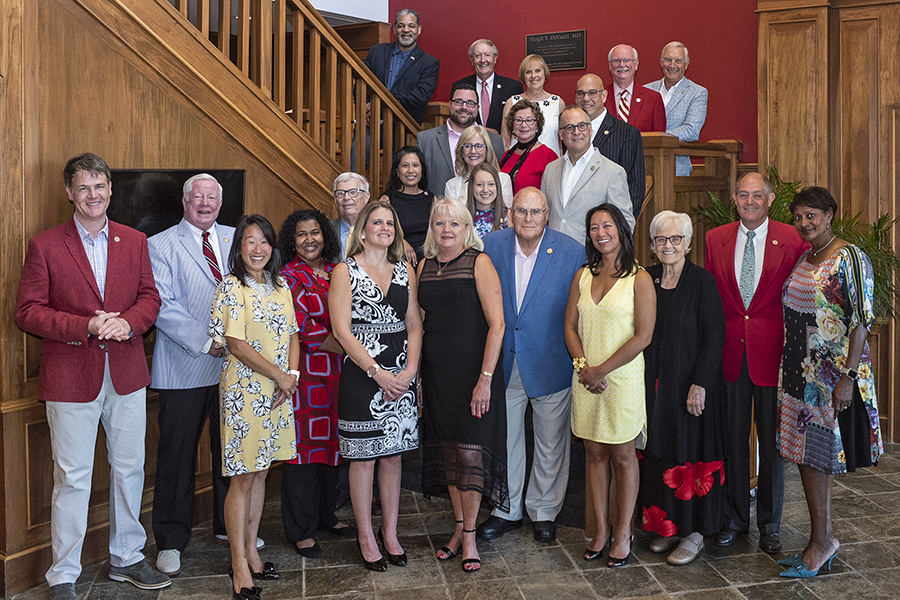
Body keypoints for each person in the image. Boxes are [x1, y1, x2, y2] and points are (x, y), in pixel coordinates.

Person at [14, 153, 167, 599]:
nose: (93, 195)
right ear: (69, 193)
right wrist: (86, 325)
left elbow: (149, 298)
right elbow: (27, 312)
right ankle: (63, 576)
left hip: (125, 374)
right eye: (83, 188)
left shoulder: (134, 240)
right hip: (70, 377)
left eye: (99, 186)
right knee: (74, 478)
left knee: (130, 469)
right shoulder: (45, 245)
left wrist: (130, 323)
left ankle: (126, 557)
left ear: (111, 190)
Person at [776, 187, 883, 577]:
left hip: (831, 377)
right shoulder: (806, 257)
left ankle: (822, 543)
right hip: (800, 375)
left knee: (819, 456)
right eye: (799, 217)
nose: (805, 223)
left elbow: (862, 319)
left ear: (830, 215)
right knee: (806, 457)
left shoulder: (850, 256)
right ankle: (820, 539)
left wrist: (847, 378)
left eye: (812, 215)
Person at [704, 172, 808, 554]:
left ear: (770, 198)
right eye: (743, 195)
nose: (750, 201)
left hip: (774, 357)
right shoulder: (716, 239)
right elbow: (712, 302)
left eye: (757, 195)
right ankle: (734, 520)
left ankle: (770, 525)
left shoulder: (793, 239)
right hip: (729, 356)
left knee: (773, 446)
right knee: (733, 442)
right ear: (734, 198)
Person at [148, 173, 246, 577]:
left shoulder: (237, 238)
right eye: (197, 197)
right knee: (176, 457)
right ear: (185, 202)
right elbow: (162, 305)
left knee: (230, 452)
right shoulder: (159, 244)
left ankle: (229, 528)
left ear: (220, 204)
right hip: (184, 366)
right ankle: (171, 540)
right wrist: (209, 342)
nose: (205, 203)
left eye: (212, 197)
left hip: (233, 369)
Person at [478, 188, 584, 544]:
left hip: (551, 358)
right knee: (506, 439)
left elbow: (579, 311)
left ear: (547, 214)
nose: (527, 218)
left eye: (535, 212)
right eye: (521, 211)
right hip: (505, 360)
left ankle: (543, 511)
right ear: (510, 213)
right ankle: (506, 510)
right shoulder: (489, 246)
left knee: (552, 442)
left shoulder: (571, 251)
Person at [208, 214, 300, 599]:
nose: (258, 248)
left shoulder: (281, 286)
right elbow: (236, 344)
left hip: (279, 393)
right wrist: (280, 377)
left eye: (264, 241)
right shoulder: (231, 288)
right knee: (242, 477)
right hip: (245, 393)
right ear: (239, 248)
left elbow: (294, 333)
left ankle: (252, 548)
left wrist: (291, 376)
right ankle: (238, 563)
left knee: (262, 473)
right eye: (250, 241)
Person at [329, 200, 423, 572]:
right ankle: (365, 535)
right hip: (362, 375)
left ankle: (391, 532)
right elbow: (341, 330)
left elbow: (414, 323)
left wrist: (410, 371)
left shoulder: (405, 270)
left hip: (401, 376)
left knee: (393, 456)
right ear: (362, 229)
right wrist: (375, 372)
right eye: (376, 222)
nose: (384, 227)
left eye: (389, 222)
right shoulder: (344, 271)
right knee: (364, 458)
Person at [416, 197, 508, 572]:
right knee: (449, 455)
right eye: (440, 223)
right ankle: (458, 527)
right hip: (437, 375)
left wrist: (485, 380)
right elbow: (418, 326)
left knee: (470, 455)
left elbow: (497, 325)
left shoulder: (479, 262)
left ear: (468, 228)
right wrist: (419, 376)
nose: (447, 230)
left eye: (454, 224)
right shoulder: (423, 265)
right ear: (432, 230)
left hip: (474, 374)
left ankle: (469, 536)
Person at [564, 203, 655, 567]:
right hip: (586, 378)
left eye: (607, 226)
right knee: (594, 454)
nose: (601, 233)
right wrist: (585, 367)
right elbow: (570, 327)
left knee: (622, 455)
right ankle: (600, 529)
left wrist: (602, 370)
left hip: (622, 378)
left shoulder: (640, 278)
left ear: (621, 230)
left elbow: (644, 336)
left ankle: (623, 532)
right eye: (594, 227)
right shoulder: (583, 275)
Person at [639, 211, 727, 566]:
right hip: (655, 387)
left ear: (689, 244)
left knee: (691, 458)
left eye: (676, 239)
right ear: (652, 246)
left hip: (691, 387)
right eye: (661, 240)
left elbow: (715, 335)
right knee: (660, 455)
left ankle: (694, 534)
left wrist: (700, 384)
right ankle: (667, 529)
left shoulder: (702, 281)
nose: (668, 246)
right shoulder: (646, 278)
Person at [277, 209, 357, 560]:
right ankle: (301, 529)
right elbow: (306, 331)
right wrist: (358, 348)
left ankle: (326, 516)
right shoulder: (287, 277)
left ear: (325, 234)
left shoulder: (337, 270)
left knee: (332, 451)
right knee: (303, 456)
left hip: (341, 375)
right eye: (301, 235)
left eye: (315, 232)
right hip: (307, 379)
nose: (309, 240)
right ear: (291, 241)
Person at [543, 106, 633, 241]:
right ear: (561, 135)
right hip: (553, 254)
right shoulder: (550, 169)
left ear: (591, 130)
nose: (576, 132)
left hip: (592, 258)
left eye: (582, 126)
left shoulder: (612, 172)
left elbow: (625, 224)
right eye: (569, 127)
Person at [575, 74, 646, 218]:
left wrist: (621, 228)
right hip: (573, 222)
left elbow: (635, 187)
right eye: (581, 93)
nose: (586, 99)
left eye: (592, 93)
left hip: (608, 225)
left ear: (604, 95)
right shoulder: (569, 132)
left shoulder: (627, 133)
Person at [416, 84, 504, 196]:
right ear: (449, 104)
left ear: (478, 107)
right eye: (458, 101)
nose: (464, 107)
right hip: (439, 210)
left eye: (470, 103)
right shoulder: (425, 140)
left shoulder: (495, 141)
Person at [363, 9, 439, 125]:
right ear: (394, 30)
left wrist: (379, 103)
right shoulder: (376, 52)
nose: (406, 30)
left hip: (402, 128)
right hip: (370, 123)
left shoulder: (429, 63)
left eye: (411, 26)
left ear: (419, 30)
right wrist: (365, 109)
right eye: (401, 26)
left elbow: (420, 96)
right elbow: (360, 85)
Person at [644, 42, 708, 176]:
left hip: (676, 169)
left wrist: (657, 137)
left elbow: (691, 130)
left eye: (678, 61)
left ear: (686, 64)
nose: (672, 65)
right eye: (668, 60)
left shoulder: (697, 92)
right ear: (661, 62)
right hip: (644, 166)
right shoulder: (646, 90)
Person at [452, 39, 524, 133]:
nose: (483, 60)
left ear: (495, 58)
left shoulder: (513, 87)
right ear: (471, 60)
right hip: (469, 144)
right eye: (478, 56)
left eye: (487, 55)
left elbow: (520, 120)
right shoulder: (459, 87)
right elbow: (456, 120)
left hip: (502, 145)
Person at [379, 146, 434, 264]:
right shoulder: (387, 200)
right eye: (405, 165)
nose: (410, 170)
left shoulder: (432, 200)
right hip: (398, 258)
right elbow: (380, 230)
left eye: (415, 165)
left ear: (422, 170)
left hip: (430, 259)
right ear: (397, 172)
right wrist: (401, 242)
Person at [501, 55, 563, 155]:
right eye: (528, 72)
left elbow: (561, 143)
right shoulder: (512, 102)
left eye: (538, 70)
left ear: (545, 73)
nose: (533, 75)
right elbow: (505, 142)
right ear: (523, 76)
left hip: (550, 164)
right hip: (519, 165)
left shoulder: (557, 103)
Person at [444, 124, 514, 207]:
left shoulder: (502, 180)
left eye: (479, 146)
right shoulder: (452, 185)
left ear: (487, 150)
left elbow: (507, 216)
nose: (473, 151)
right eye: (468, 146)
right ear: (461, 151)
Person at [499, 99, 559, 194]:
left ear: (537, 125)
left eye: (529, 120)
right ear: (512, 125)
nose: (523, 125)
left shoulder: (548, 156)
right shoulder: (507, 155)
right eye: (519, 120)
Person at [604, 45, 666, 133]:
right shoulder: (599, 98)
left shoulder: (653, 99)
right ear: (610, 65)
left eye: (627, 60)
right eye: (617, 61)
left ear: (636, 64)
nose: (622, 65)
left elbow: (660, 141)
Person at [331, 172, 371, 257]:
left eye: (353, 192)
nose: (346, 198)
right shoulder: (326, 230)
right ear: (335, 200)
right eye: (341, 193)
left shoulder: (379, 230)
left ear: (366, 197)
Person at [466, 163, 507, 237]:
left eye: (491, 184)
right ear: (472, 187)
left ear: (497, 186)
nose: (485, 190)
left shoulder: (509, 216)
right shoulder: (462, 217)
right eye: (480, 184)